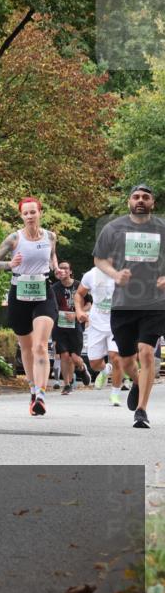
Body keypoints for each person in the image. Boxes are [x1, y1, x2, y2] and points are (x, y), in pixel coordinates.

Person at [92, 183, 165, 429]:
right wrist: (115, 274)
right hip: (124, 303)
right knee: (125, 361)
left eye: (145, 197)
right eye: (136, 197)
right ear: (129, 202)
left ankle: (141, 411)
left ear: (152, 203)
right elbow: (99, 258)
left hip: (155, 302)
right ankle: (136, 381)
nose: (140, 200)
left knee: (146, 352)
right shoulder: (114, 228)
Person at [0, 197, 61, 416]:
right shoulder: (14, 239)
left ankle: (41, 395)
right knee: (27, 347)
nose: (29, 216)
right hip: (19, 294)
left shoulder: (50, 236)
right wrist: (9, 264)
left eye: (33, 212)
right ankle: (32, 389)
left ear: (40, 213)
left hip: (43, 293)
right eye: (25, 213)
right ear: (21, 216)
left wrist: (56, 268)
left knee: (40, 345)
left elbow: (52, 257)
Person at [75, 264, 124, 406]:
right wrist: (79, 311)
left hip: (117, 323)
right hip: (96, 324)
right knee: (94, 363)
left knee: (116, 358)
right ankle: (105, 370)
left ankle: (115, 394)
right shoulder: (91, 274)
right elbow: (79, 294)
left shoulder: (124, 273)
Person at [50, 261, 91, 394]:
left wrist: (77, 313)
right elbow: (50, 306)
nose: (63, 270)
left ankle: (82, 368)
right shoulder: (54, 288)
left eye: (65, 268)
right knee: (64, 355)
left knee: (74, 357)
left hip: (76, 325)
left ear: (70, 271)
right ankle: (67, 384)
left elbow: (89, 304)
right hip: (59, 326)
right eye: (60, 268)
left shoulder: (79, 286)